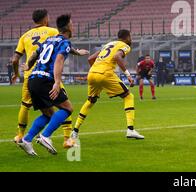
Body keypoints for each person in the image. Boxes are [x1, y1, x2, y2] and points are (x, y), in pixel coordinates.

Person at [10, 9, 88, 148]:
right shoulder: (56, 35)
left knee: (38, 110)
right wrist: (57, 82)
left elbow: (26, 56)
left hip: (32, 78)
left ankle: (24, 138)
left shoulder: (32, 37)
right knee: (67, 107)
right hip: (48, 78)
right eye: (72, 25)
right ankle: (56, 138)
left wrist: (25, 67)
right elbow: (60, 55)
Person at [71, 30, 144, 141]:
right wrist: (128, 75)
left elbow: (90, 59)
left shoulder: (108, 44)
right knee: (128, 96)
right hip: (105, 73)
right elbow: (117, 57)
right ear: (127, 37)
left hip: (92, 73)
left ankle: (75, 131)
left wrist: (96, 71)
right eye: (130, 37)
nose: (131, 39)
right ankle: (130, 130)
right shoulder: (124, 46)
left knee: (90, 101)